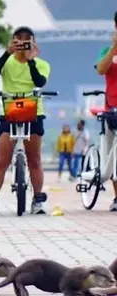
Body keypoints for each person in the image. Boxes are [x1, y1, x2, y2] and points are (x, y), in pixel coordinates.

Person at [0, 26, 51, 215]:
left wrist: (30, 60)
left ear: (34, 42)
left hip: (33, 112)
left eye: (27, 40)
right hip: (9, 112)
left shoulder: (41, 64)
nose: (22, 43)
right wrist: (7, 53)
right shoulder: (7, 62)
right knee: (1, 160)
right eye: (18, 40)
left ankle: (37, 200)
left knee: (34, 160)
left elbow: (39, 82)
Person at [95, 11, 117, 211]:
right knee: (111, 153)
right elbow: (101, 69)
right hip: (113, 108)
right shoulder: (107, 51)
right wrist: (114, 47)